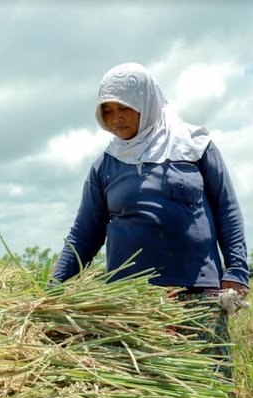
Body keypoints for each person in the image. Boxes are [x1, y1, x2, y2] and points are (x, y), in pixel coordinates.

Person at [52, 62, 249, 377]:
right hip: (130, 304)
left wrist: (237, 269)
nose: (115, 119)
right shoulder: (106, 165)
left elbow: (227, 208)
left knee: (210, 392)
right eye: (107, 111)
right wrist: (53, 290)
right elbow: (83, 236)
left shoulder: (196, 147)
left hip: (197, 297)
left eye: (124, 109)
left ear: (147, 102)